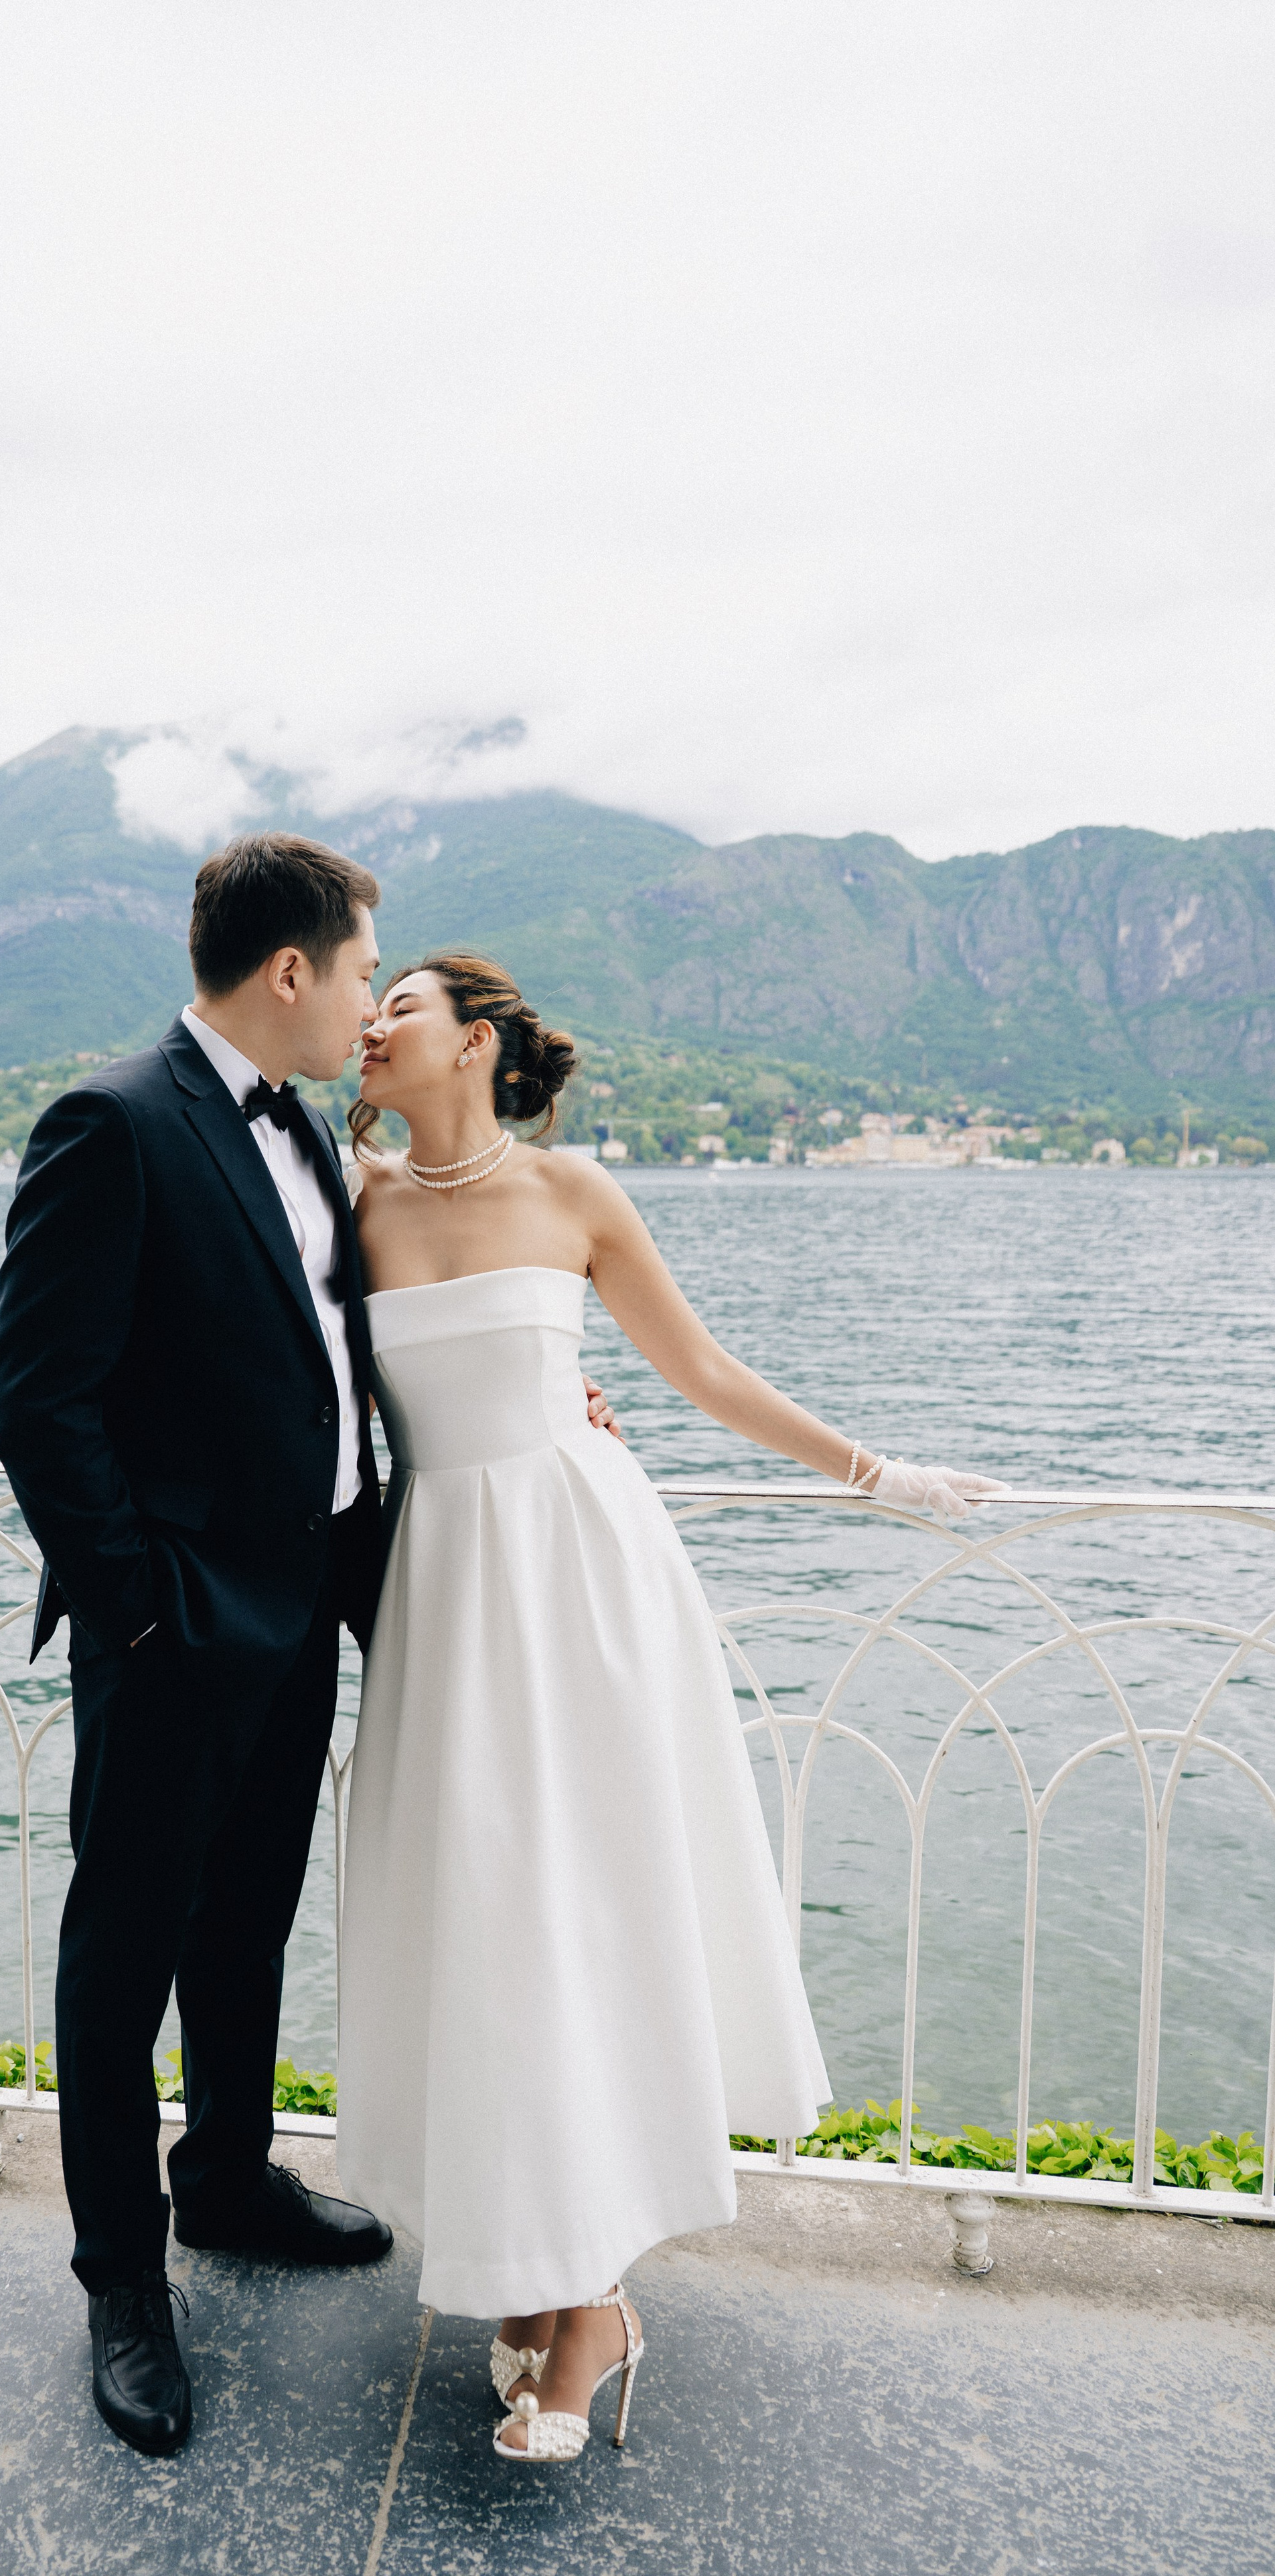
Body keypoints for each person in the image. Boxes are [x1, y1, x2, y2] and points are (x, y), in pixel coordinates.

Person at [0, 844, 617, 2458]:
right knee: (121, 1955)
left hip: (312, 1606)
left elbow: (358, 1365)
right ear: (290, 973)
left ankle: (229, 2181)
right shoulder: (115, 1122)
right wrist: (131, 1600)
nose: (364, 1001)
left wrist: (552, 1407)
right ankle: (123, 2281)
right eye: (358, 973)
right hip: (175, 1626)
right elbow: (38, 1394)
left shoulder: (318, 1148)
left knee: (250, 1918)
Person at [335, 951, 1003, 2464]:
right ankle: (535, 2262)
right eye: (363, 1009)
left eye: (402, 1010)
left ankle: (590, 2305)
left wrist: (873, 1474)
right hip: (440, 1593)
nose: (371, 1027)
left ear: (480, 1042)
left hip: (579, 1582)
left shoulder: (575, 1194)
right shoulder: (352, 1202)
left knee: (582, 1913)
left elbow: (695, 1368)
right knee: (485, 1923)